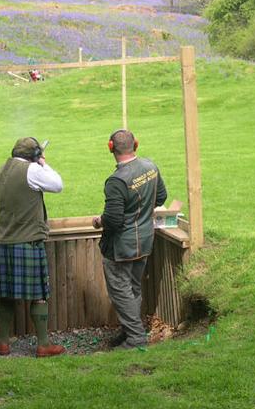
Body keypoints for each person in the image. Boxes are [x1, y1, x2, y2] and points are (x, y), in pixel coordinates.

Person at [92, 129, 167, 349]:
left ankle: (135, 337)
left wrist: (99, 221)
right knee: (133, 288)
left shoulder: (116, 181)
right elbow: (160, 197)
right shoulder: (150, 167)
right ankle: (130, 331)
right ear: (136, 144)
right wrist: (140, 213)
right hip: (144, 242)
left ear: (110, 147)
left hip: (120, 248)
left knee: (121, 291)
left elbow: (113, 220)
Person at [0, 137, 65, 357]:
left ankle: (3, 343)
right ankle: (43, 344)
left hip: (5, 240)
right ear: (33, 155)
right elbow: (57, 184)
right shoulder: (32, 171)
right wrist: (43, 162)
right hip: (29, 241)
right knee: (39, 295)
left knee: (6, 294)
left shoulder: (1, 170)